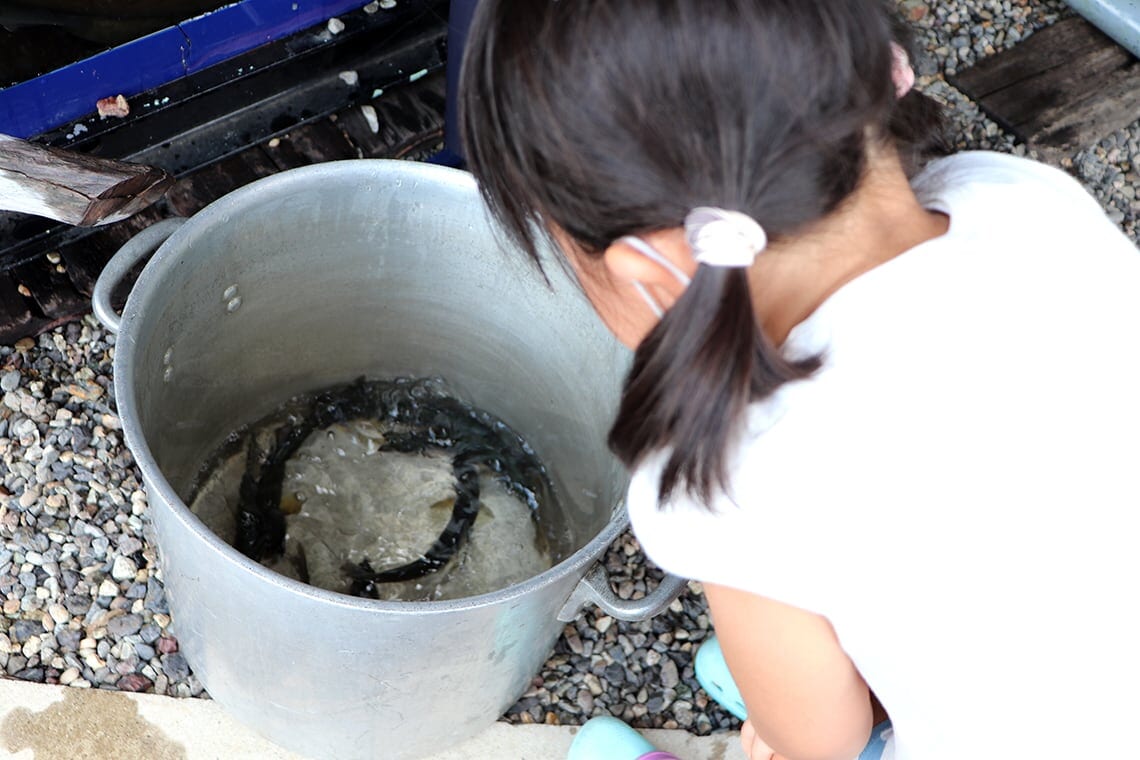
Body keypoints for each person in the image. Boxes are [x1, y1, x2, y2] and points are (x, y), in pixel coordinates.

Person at [457, 1, 1140, 758]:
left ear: (648, 268)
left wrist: (783, 730)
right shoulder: (1022, 201)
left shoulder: (732, 465)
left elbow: (823, 740)